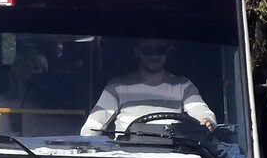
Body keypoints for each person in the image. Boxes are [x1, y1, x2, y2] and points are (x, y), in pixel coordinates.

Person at [81, 39, 215, 135]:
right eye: (147, 50)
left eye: (160, 50)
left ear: (168, 52)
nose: (154, 55)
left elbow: (201, 111)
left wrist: (207, 121)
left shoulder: (183, 85)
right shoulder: (117, 86)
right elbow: (92, 127)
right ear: (137, 53)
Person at [0, 43, 49, 135]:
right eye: (24, 66)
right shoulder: (3, 103)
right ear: (14, 71)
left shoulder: (57, 106)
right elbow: (2, 137)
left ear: (44, 72)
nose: (29, 71)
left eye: (35, 66)